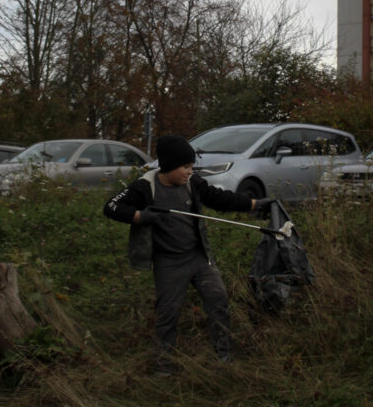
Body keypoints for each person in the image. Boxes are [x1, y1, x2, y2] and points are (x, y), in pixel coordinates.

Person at [103, 134, 271, 373]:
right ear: (169, 165)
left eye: (191, 166)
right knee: (168, 313)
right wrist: (142, 216)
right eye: (185, 166)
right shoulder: (145, 186)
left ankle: (222, 357)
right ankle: (165, 365)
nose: (189, 171)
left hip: (199, 257)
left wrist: (254, 204)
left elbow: (219, 199)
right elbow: (110, 207)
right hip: (168, 263)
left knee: (218, 300)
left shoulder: (193, 183)